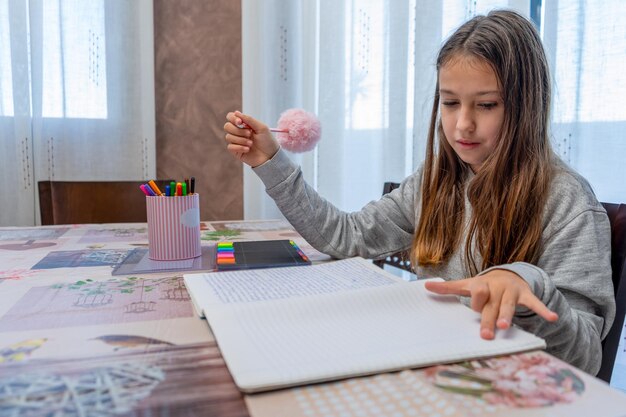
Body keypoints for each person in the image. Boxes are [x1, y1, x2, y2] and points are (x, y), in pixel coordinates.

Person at [222, 10, 615, 375]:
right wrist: (269, 160)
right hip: (433, 369)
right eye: (449, 103)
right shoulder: (435, 181)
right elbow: (345, 236)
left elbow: (585, 359)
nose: (463, 124)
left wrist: (530, 284)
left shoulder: (569, 204)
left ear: (528, 105)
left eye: (487, 105)